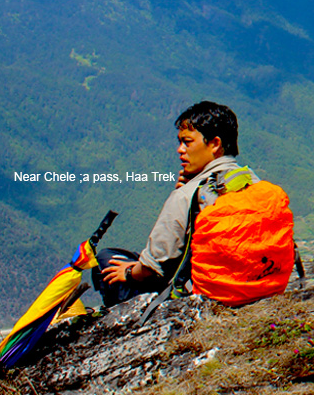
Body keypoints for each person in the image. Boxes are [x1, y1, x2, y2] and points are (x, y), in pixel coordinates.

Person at [93, 100, 254, 307]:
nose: (180, 150)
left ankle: (120, 322)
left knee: (106, 261)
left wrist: (128, 272)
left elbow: (152, 267)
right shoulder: (254, 182)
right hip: (256, 284)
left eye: (187, 142)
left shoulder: (186, 196)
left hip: (204, 293)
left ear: (215, 144)